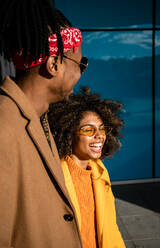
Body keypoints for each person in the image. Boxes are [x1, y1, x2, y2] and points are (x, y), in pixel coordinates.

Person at [0, 1, 88, 248]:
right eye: (80, 64)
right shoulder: (4, 129)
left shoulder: (39, 116)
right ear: (54, 64)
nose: (82, 73)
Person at [48, 87, 126, 248]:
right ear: (70, 133)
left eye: (102, 128)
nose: (99, 135)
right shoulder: (54, 176)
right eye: (88, 129)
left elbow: (110, 227)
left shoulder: (100, 173)